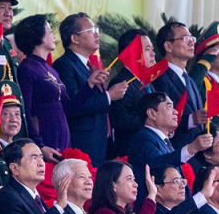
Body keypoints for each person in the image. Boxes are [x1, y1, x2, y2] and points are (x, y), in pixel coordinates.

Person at [53, 12, 128, 166]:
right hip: (83, 141)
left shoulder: (89, 65)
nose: (96, 35)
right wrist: (108, 96)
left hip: (101, 141)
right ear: (74, 38)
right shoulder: (65, 64)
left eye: (96, 31)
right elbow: (73, 104)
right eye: (91, 31)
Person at [127, 92, 213, 203]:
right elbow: (158, 164)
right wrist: (192, 148)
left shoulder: (164, 141)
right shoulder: (142, 138)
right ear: (152, 114)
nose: (176, 111)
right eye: (169, 107)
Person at [13, 14, 77, 161]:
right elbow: (25, 111)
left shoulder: (50, 69)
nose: (53, 36)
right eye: (49, 31)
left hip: (62, 137)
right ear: (38, 37)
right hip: (46, 139)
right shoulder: (27, 68)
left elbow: (68, 107)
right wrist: (39, 146)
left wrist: (90, 85)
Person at [152, 22, 205, 148]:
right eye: (185, 38)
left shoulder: (189, 80)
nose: (192, 42)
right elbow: (159, 118)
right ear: (168, 46)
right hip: (175, 149)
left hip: (196, 153)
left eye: (192, 38)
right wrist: (192, 120)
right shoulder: (159, 76)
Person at [109, 29, 157, 157]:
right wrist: (153, 121)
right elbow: (119, 119)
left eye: (152, 49)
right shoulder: (121, 82)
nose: (153, 54)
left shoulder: (147, 82)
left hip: (148, 147)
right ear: (132, 53)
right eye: (147, 49)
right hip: (129, 152)